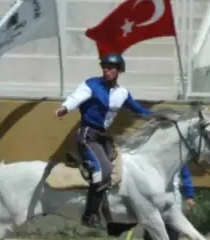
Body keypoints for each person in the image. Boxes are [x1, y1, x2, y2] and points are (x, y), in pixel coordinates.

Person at [54, 53, 153, 229]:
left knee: (119, 170)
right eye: (104, 68)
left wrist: (161, 117)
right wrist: (65, 108)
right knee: (105, 172)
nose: (106, 71)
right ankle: (89, 215)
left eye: (110, 69)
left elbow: (139, 110)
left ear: (119, 71)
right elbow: (76, 96)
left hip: (103, 137)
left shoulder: (122, 93)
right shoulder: (92, 84)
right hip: (88, 135)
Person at [142, 164, 196, 240]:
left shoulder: (179, 159)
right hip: (153, 203)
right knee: (150, 238)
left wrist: (190, 196)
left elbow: (186, 176)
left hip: (173, 204)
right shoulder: (151, 158)